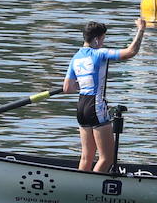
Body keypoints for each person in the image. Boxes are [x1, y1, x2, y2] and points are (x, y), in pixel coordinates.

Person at [62, 19, 147, 173]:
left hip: (81, 107)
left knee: (86, 157)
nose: (102, 43)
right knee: (106, 158)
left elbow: (67, 88)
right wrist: (141, 30)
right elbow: (130, 52)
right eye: (102, 39)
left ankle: (79, 184)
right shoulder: (100, 53)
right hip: (96, 106)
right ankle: (90, 188)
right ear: (96, 39)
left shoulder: (75, 58)